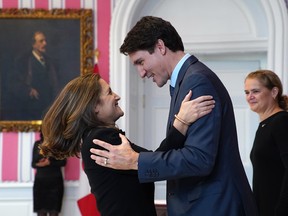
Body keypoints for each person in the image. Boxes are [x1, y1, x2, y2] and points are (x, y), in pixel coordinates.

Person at [90, 16, 258, 216]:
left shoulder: (196, 82)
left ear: (160, 46)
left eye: (141, 62)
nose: (142, 73)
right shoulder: (185, 81)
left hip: (215, 208)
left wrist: (135, 161)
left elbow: (200, 158)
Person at [39, 72, 215, 216]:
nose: (117, 96)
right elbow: (155, 161)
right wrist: (182, 121)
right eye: (109, 92)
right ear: (94, 107)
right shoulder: (101, 138)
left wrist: (180, 123)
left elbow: (148, 161)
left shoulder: (96, 137)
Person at [244, 69, 288, 216]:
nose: (250, 97)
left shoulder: (281, 122)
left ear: (274, 92)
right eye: (246, 92)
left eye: (255, 91)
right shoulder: (265, 125)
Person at [10, 31, 59, 120]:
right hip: (31, 107)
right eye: (41, 41)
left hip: (48, 106)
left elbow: (54, 83)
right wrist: (28, 90)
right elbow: (14, 83)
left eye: (45, 40)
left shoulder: (49, 61)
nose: (45, 43)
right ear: (33, 44)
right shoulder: (23, 61)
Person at [31, 131, 66, 216]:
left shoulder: (58, 144)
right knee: (41, 212)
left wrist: (49, 162)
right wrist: (41, 163)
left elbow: (63, 162)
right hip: (40, 183)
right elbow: (33, 164)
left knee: (54, 212)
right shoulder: (37, 144)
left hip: (55, 183)